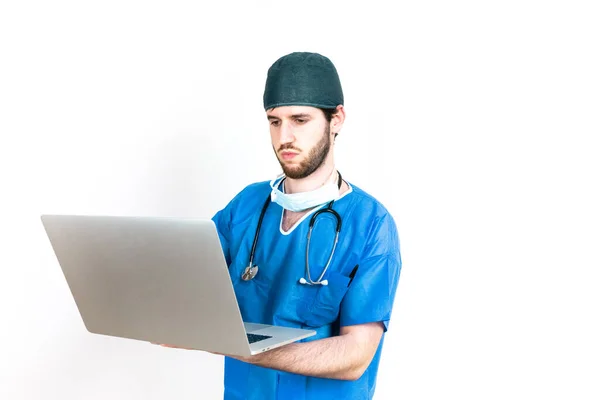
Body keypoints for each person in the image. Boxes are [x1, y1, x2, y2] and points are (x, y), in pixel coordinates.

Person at [165, 52, 402, 400]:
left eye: (299, 120)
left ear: (336, 119)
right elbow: (191, 284)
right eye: (274, 121)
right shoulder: (246, 206)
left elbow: (355, 356)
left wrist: (242, 349)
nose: (284, 137)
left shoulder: (371, 224)